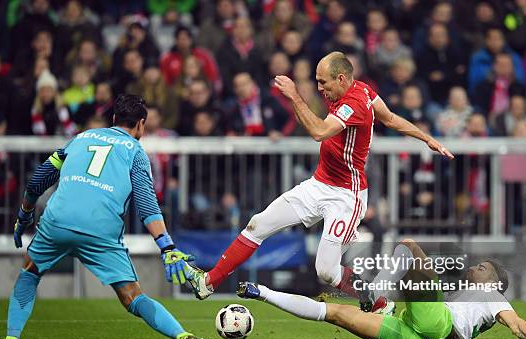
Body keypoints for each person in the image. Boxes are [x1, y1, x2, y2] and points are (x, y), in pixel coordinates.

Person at [183, 52, 453, 308]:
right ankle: (208, 281)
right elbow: (391, 119)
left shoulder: (355, 104)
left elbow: (319, 131)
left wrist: (294, 96)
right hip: (318, 184)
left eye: (323, 82)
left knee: (326, 271)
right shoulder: (361, 91)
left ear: (341, 80)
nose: (320, 89)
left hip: (347, 196)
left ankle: (376, 300)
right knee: (258, 224)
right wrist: (427, 138)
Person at [0, 94, 230, 339]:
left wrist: (24, 214)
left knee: (30, 274)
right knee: (132, 297)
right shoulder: (136, 153)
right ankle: (182, 335)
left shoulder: (81, 138)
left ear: (114, 119)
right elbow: (148, 206)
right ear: (141, 125)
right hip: (100, 230)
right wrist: (167, 246)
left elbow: (37, 181)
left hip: (57, 222)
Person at [236, 239, 526, 339]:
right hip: (423, 337)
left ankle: (376, 296)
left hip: (440, 325)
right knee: (336, 314)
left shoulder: (492, 297)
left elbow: (516, 322)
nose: (476, 267)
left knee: (411, 248)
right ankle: (261, 292)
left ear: (493, 284)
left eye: (484, 268)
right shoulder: (462, 294)